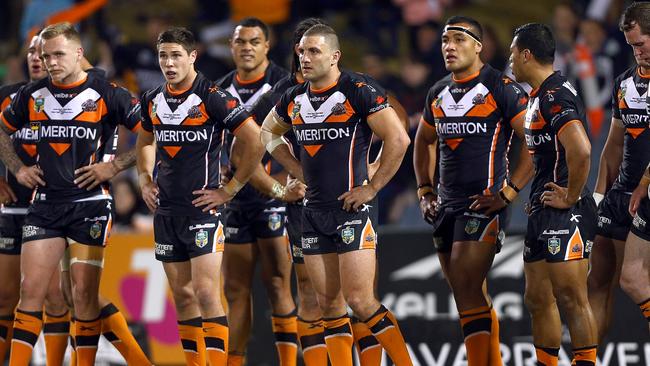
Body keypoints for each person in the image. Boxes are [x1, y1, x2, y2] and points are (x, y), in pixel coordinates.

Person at [261, 24, 412, 366]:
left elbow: (399, 139)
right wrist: (297, 170)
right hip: (313, 213)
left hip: (350, 211)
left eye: (313, 51)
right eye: (301, 51)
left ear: (334, 55)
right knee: (328, 305)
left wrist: (372, 186)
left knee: (360, 301)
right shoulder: (294, 97)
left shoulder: (356, 89)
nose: (305, 58)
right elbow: (268, 134)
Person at [0, 22, 142, 366]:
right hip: (39, 205)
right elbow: (1, 132)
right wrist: (17, 168)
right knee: (28, 294)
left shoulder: (107, 91)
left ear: (80, 53)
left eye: (55, 54)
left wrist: (115, 166)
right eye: (41, 55)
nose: (48, 61)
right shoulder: (26, 96)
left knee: (80, 295)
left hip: (88, 205)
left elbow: (153, 133)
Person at [136, 26, 263, 366]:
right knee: (183, 296)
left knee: (207, 292)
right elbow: (145, 141)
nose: (169, 63)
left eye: (176, 55)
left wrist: (230, 189)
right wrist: (144, 179)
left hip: (202, 212)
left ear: (193, 56)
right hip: (165, 213)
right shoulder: (152, 99)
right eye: (163, 56)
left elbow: (255, 139)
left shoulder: (212, 96)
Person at [413, 16, 532, 366]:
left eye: (458, 40)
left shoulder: (501, 87)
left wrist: (510, 192)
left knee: (466, 290)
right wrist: (424, 189)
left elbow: (533, 142)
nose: (449, 47)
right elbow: (423, 140)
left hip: (484, 204)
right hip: (445, 206)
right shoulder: (437, 92)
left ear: (478, 46)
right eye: (445, 41)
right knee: (468, 295)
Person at [509, 22, 598, 366]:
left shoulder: (554, 95)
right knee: (537, 298)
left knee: (571, 298)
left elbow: (582, 150)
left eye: (513, 53)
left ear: (526, 54)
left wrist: (571, 195)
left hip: (566, 212)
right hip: (542, 209)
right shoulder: (539, 95)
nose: (511, 61)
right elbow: (544, 156)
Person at [215, 17, 297, 366]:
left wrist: (285, 179)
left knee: (278, 284)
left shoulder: (284, 82)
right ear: (231, 46)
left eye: (253, 41)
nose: (246, 47)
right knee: (235, 290)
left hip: (275, 197)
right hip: (236, 199)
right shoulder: (218, 88)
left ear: (267, 45)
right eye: (240, 42)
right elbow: (214, 140)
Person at [0, 31, 69, 366]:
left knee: (57, 297)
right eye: (30, 52)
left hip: (53, 210)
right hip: (14, 206)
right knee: (5, 298)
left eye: (43, 52)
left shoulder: (70, 96)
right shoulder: (8, 97)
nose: (36, 58)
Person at [617, 1, 650, 338]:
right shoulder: (626, 82)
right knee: (631, 277)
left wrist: (643, 183)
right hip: (644, 191)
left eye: (641, 44)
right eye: (631, 47)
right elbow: (614, 142)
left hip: (646, 188)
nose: (636, 52)